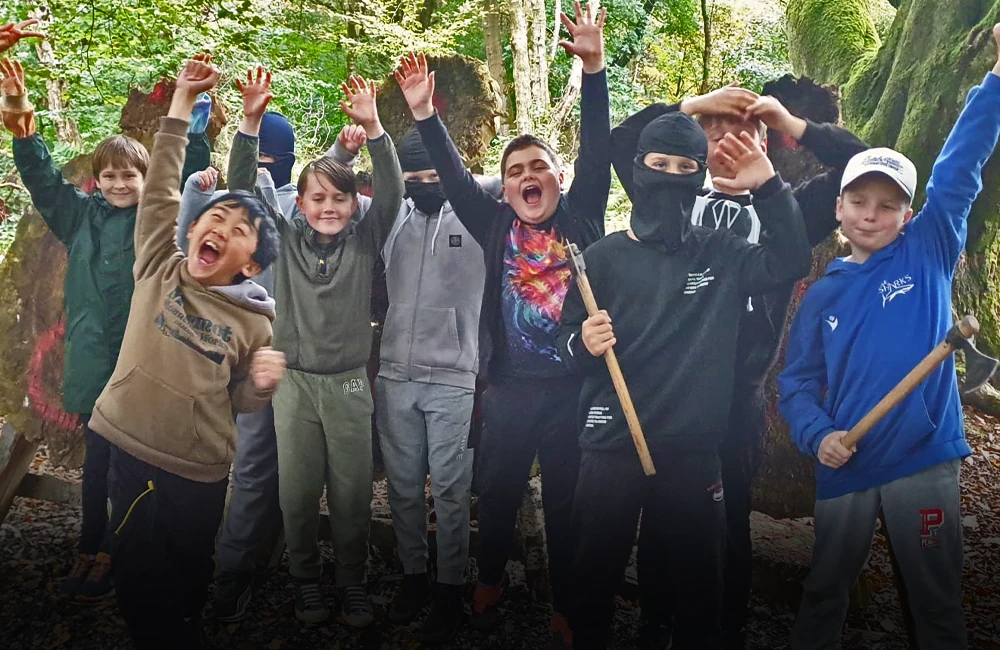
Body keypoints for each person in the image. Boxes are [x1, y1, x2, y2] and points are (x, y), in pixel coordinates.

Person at [612, 85, 868, 649]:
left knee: (725, 523)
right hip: (666, 388)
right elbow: (622, 142)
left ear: (766, 144)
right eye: (715, 129)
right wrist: (694, 106)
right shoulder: (670, 196)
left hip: (735, 398)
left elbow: (864, 166)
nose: (729, 140)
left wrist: (792, 123)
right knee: (658, 513)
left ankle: (724, 627)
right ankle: (656, 620)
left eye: (746, 130)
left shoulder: (791, 207)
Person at [778, 23, 1000, 650]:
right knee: (825, 592)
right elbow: (796, 383)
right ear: (840, 207)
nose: (871, 215)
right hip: (846, 463)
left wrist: (996, 84)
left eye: (887, 204)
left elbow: (958, 171)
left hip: (923, 461)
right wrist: (818, 437)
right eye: (859, 201)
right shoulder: (823, 293)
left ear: (907, 213)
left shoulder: (927, 250)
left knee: (935, 596)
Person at [396, 3, 610, 645]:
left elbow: (597, 147)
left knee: (569, 507)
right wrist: (425, 114)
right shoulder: (493, 227)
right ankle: (489, 578)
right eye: (515, 171)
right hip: (511, 391)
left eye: (537, 166)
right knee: (498, 491)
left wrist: (594, 68)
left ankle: (567, 605)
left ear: (559, 178)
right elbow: (459, 179)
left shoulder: (582, 220)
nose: (525, 177)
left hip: (574, 391)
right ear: (506, 190)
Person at [559, 110, 812, 650]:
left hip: (694, 453)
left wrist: (768, 186)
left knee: (701, 591)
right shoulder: (601, 258)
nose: (671, 175)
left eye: (685, 165)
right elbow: (564, 348)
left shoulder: (721, 252)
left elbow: (791, 260)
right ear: (639, 168)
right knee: (592, 581)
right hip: (611, 443)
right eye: (659, 163)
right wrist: (583, 342)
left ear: (698, 174)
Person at [83, 54, 284, 649]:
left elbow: (241, 403)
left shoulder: (253, 324)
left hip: (198, 469)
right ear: (193, 231)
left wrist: (262, 385)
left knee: (189, 571)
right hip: (127, 441)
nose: (219, 225)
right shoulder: (158, 266)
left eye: (239, 227)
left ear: (249, 264)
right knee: (137, 571)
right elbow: (162, 190)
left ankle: (186, 622)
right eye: (213, 216)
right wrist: (178, 108)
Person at [0, 55, 210, 603]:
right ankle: (90, 547)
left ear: (145, 180)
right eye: (110, 174)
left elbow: (182, 174)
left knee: (139, 468)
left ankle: (128, 550)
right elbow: (42, 178)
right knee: (98, 466)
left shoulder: (158, 222)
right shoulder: (80, 217)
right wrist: (21, 113)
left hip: (145, 367)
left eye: (130, 174)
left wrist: (192, 114)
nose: (119, 182)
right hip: (94, 364)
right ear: (99, 179)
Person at [176, 84, 365, 623]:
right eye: (261, 157)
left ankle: (334, 572)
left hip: (325, 367)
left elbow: (329, 187)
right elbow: (240, 189)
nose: (266, 165)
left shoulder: (306, 212)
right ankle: (234, 571)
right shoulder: (257, 216)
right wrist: (246, 125)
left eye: (272, 159)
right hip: (262, 362)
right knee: (256, 468)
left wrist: (347, 151)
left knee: (333, 477)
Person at [225, 67, 404, 628]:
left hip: (350, 383)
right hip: (294, 386)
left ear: (355, 204)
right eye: (317, 198)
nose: (329, 207)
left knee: (351, 494)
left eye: (339, 198)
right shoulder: (280, 241)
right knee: (297, 493)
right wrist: (250, 122)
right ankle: (305, 580)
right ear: (299, 204)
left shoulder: (366, 239)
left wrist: (374, 127)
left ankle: (352, 581)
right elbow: (239, 190)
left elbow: (393, 190)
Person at [371, 125, 486, 644]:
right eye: (413, 175)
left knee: (451, 489)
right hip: (395, 373)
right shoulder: (392, 216)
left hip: (455, 378)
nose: (423, 183)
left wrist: (457, 173)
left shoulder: (479, 214)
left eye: (434, 174)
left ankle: (450, 587)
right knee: (401, 488)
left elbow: (518, 182)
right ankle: (414, 577)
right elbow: (367, 187)